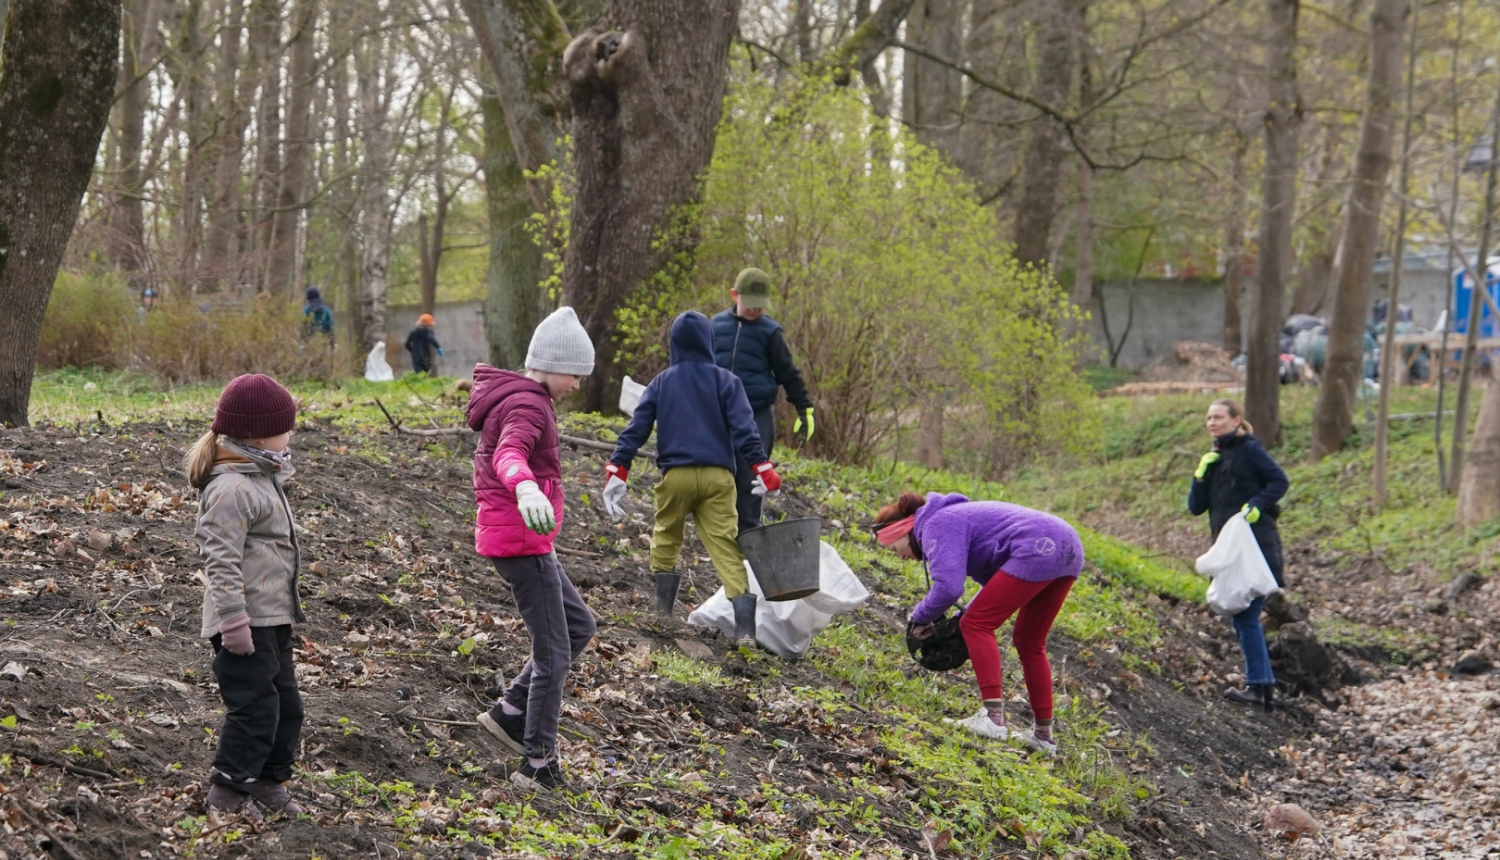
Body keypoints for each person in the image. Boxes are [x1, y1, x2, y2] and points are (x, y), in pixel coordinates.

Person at [467, 306, 597, 792]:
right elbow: (509, 453)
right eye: (576, 375)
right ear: (554, 364)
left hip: (523, 539)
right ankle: (538, 764)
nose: (578, 386)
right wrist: (524, 487)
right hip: (521, 540)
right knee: (554, 654)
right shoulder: (528, 404)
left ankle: (508, 712)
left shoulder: (518, 397)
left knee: (581, 625)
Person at [603, 311, 783, 648]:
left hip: (677, 477)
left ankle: (663, 615)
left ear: (674, 343)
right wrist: (762, 467)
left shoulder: (662, 382)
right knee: (726, 547)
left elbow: (637, 428)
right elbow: (746, 430)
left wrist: (618, 469)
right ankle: (745, 630)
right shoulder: (727, 381)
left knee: (667, 538)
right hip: (718, 479)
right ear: (709, 342)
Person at [874, 491, 1083, 755]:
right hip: (1067, 545)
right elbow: (995, 588)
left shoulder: (936, 524)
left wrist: (919, 617)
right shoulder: (954, 519)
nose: (899, 556)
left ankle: (992, 718)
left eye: (894, 548)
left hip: (1038, 546)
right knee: (1029, 642)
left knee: (976, 625)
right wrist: (959, 616)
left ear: (905, 531)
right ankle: (1043, 736)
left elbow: (949, 588)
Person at [184, 374, 306, 819]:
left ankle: (270, 782)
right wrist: (233, 620)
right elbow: (221, 559)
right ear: (258, 432)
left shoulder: (261, 473)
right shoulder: (231, 487)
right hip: (243, 623)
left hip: (271, 618)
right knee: (255, 709)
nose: (291, 432)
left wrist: (284, 613)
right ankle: (228, 792)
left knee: (287, 707)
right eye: (286, 425)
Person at [1188, 399, 1289, 712]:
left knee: (1246, 615)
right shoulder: (1216, 456)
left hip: (1257, 548)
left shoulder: (1249, 448)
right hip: (1230, 552)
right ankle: (1262, 685)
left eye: (1218, 417)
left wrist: (1258, 504)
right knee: (1244, 617)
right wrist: (1201, 475)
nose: (1212, 422)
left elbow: (1280, 480)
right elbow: (1195, 507)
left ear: (1235, 420)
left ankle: (1259, 687)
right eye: (1208, 418)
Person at [711, 268, 814, 534]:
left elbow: (788, 373)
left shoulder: (770, 332)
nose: (756, 311)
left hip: (756, 414)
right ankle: (717, 531)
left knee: (751, 477)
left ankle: (748, 535)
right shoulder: (715, 326)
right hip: (718, 413)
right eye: (751, 305)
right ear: (735, 295)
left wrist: (804, 408)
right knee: (718, 473)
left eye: (761, 307)